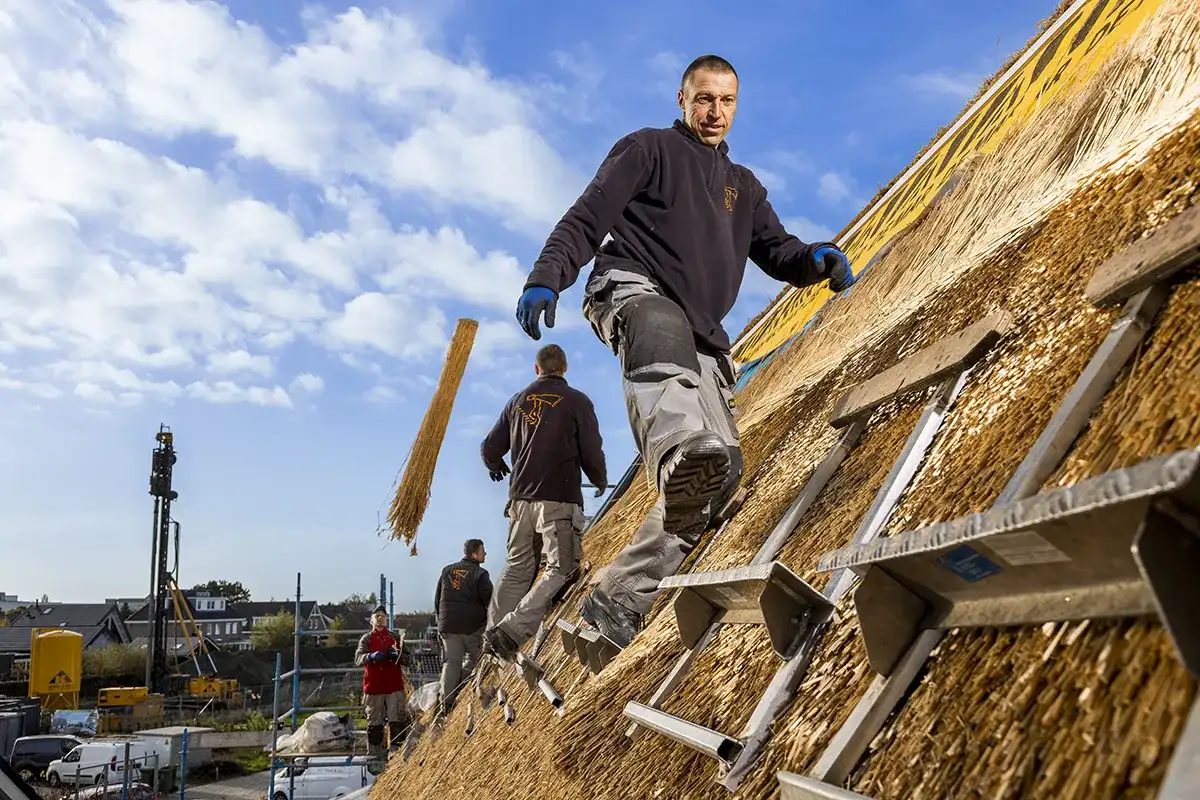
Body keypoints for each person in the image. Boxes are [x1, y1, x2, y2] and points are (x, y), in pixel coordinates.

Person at [513, 54, 857, 649]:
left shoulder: (744, 187)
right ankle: (674, 453)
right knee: (662, 347)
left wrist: (814, 260)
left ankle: (618, 599)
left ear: (736, 106)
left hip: (702, 333)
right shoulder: (647, 150)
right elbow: (588, 216)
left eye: (725, 101)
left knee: (720, 473)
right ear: (682, 98)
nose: (714, 111)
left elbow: (777, 249)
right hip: (633, 286)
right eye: (704, 99)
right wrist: (548, 273)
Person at [479, 343, 607, 660]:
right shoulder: (577, 401)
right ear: (564, 368)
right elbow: (591, 447)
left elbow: (490, 449)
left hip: (520, 500)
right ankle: (510, 632)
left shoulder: (517, 401)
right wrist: (599, 477)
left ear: (536, 369)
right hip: (558, 496)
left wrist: (495, 466)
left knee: (516, 569)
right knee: (560, 568)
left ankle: (492, 642)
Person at [434, 538, 492, 713]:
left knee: (451, 663)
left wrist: (441, 622)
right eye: (483, 550)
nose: (485, 554)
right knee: (480, 660)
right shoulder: (480, 574)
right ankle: (462, 687)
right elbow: (491, 601)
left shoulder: (446, 571)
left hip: (448, 625)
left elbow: (438, 599)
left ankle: (446, 702)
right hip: (471, 626)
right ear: (474, 554)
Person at [354, 606, 411, 751]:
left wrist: (398, 656)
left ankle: (397, 752)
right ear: (371, 621)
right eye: (376, 616)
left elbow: (408, 659)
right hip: (374, 686)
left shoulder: (395, 638)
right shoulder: (366, 639)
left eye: (382, 616)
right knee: (374, 724)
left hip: (394, 685)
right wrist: (370, 656)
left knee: (397, 721)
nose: (380, 619)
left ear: (387, 620)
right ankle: (375, 754)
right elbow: (358, 659)